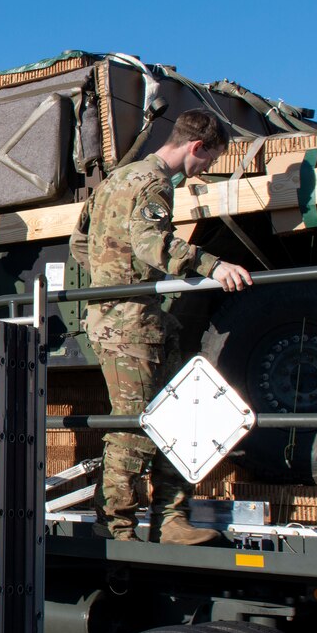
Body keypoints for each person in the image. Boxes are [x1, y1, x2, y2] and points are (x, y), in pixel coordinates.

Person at [71, 109, 253, 545]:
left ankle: (170, 517)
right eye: (206, 161)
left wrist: (108, 277)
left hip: (134, 316)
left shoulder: (116, 179)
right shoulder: (153, 184)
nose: (202, 171)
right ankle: (116, 528)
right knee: (135, 425)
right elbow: (152, 244)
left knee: (180, 408)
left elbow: (79, 243)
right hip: (129, 323)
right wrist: (212, 265)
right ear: (196, 147)